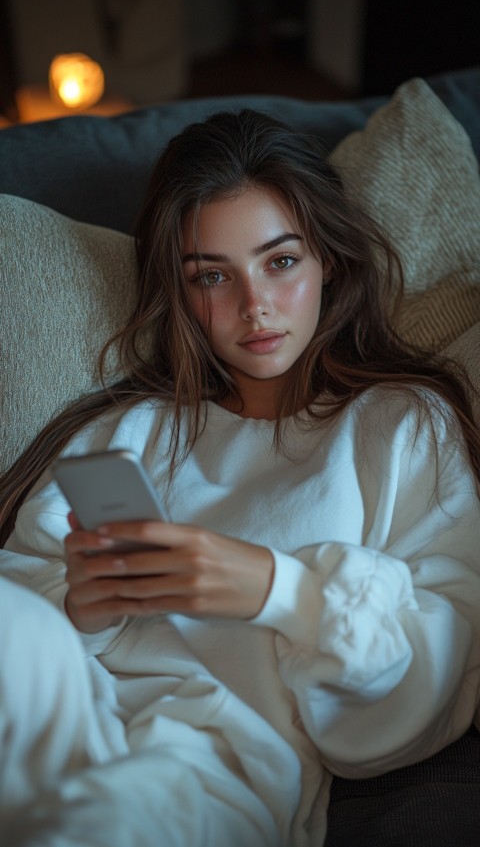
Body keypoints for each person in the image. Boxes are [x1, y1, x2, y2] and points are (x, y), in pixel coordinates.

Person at [1, 108, 479, 847]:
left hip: (208, 770)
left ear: (329, 258)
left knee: (96, 821)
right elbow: (21, 599)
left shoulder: (402, 426)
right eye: (212, 276)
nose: (253, 305)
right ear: (181, 293)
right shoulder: (123, 430)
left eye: (280, 261)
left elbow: (428, 691)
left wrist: (277, 590)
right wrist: (80, 609)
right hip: (64, 715)